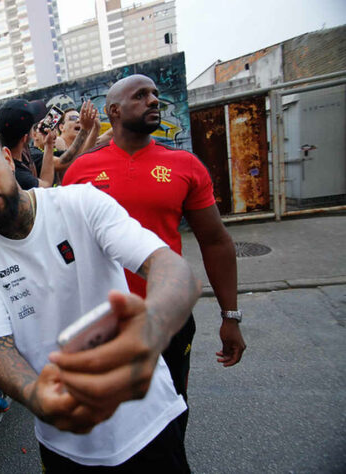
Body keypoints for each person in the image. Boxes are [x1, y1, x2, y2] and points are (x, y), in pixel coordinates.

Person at [0, 124, 200, 472]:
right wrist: (40, 398)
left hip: (146, 422)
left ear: (5, 158)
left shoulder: (79, 202)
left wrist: (154, 324)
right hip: (65, 443)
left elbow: (167, 264)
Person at [62, 74, 247, 436]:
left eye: (156, 95)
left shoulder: (185, 166)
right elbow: (64, 251)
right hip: (107, 325)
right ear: (113, 111)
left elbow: (216, 241)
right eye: (141, 95)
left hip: (169, 321)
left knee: (171, 415)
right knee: (114, 422)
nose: (154, 101)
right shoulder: (81, 171)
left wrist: (231, 316)